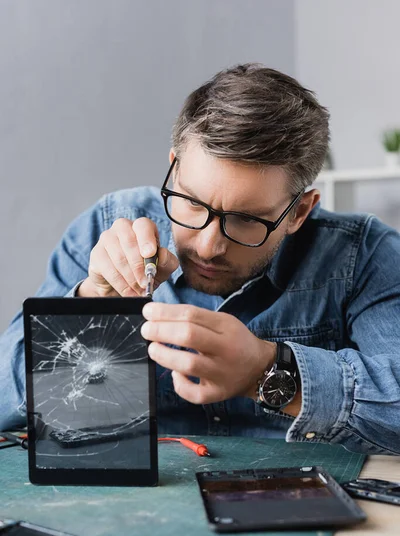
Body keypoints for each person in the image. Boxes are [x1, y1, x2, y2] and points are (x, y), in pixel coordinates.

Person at [1, 64, 399, 455]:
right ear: (174, 168)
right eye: (191, 203)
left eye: (246, 220)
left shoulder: (363, 255)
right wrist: (89, 305)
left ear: (299, 212)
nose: (209, 247)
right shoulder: (102, 229)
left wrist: (267, 371)